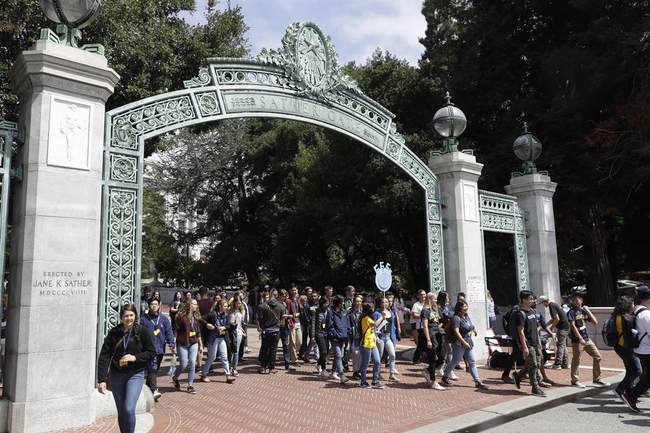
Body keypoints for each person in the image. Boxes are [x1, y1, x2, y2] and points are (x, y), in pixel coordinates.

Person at [97, 304, 155, 433]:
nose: (129, 318)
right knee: (122, 410)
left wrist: (135, 357)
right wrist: (101, 379)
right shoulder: (114, 333)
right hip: (117, 374)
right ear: (121, 317)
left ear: (135, 316)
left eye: (131, 315)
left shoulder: (142, 331)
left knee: (129, 408)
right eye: (126, 316)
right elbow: (104, 356)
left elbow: (151, 352)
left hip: (135, 374)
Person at [441, 300, 488, 389]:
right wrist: (463, 342)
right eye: (464, 306)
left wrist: (473, 330)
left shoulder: (466, 316)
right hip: (459, 343)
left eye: (467, 306)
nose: (466, 308)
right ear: (459, 308)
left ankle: (477, 381)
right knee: (455, 361)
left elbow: (470, 325)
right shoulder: (456, 318)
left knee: (472, 361)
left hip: (468, 342)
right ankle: (445, 376)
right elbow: (456, 331)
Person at [567, 290, 609, 388]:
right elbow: (572, 326)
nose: (576, 301)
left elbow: (595, 322)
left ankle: (597, 378)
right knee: (576, 360)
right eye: (574, 300)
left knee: (598, 356)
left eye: (578, 299)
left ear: (581, 300)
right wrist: (580, 338)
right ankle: (575, 380)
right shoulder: (571, 312)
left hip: (587, 339)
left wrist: (588, 311)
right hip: (578, 340)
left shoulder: (582, 311)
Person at [172, 299, 213, 394]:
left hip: (193, 342)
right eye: (194, 304)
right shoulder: (181, 317)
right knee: (184, 364)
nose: (196, 306)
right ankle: (175, 377)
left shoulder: (196, 317)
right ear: (189, 305)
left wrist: (201, 345)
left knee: (191, 362)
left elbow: (198, 332)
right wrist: (173, 343)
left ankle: (190, 385)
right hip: (182, 343)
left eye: (196, 304)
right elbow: (176, 331)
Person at [622, 286, 650, 412]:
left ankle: (631, 393)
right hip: (647, 349)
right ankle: (631, 394)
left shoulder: (636, 310)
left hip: (640, 349)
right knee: (648, 377)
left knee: (647, 375)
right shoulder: (646, 314)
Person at [140, 298, 175, 400]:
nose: (154, 306)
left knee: (154, 370)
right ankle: (153, 390)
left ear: (159, 306)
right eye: (152, 304)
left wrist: (171, 343)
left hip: (160, 348)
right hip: (148, 349)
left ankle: (147, 390)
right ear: (148, 306)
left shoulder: (164, 319)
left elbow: (169, 332)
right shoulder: (143, 319)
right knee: (152, 368)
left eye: (156, 304)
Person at [512, 290, 545, 396]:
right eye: (530, 299)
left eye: (532, 298)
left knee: (538, 363)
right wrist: (524, 347)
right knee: (534, 364)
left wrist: (539, 341)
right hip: (528, 343)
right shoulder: (520, 314)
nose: (532, 300)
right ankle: (535, 387)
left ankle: (519, 375)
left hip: (535, 342)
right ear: (523, 300)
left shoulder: (532, 311)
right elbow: (520, 331)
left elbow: (535, 328)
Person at [610, 295, 642, 403]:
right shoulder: (627, 318)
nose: (634, 305)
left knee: (630, 370)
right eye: (632, 303)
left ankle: (627, 392)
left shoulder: (616, 315)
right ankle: (621, 389)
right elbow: (631, 336)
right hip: (626, 347)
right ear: (627, 305)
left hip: (619, 346)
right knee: (637, 370)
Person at [201, 299, 235, 383]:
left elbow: (229, 325)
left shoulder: (226, 315)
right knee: (212, 357)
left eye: (227, 306)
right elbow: (201, 319)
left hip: (222, 338)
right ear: (220, 306)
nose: (227, 307)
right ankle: (204, 374)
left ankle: (228, 376)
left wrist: (224, 327)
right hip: (213, 338)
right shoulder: (213, 314)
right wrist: (207, 324)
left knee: (224, 357)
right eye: (225, 306)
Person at [421, 292, 445, 390]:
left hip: (438, 335)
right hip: (431, 336)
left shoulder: (435, 310)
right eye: (434, 299)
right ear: (430, 299)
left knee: (442, 357)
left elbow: (438, 322)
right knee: (432, 359)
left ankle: (427, 371)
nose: (436, 301)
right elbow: (425, 326)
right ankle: (434, 381)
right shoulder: (425, 311)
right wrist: (428, 340)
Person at [256, 288, 284, 374]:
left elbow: (259, 318)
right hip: (276, 330)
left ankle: (263, 367)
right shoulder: (281, 306)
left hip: (266, 330)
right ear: (276, 296)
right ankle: (271, 367)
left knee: (264, 349)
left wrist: (261, 326)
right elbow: (282, 319)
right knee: (273, 349)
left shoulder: (262, 306)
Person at [374, 297, 400, 381]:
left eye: (386, 302)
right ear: (380, 303)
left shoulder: (391, 313)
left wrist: (394, 336)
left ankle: (391, 374)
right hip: (380, 337)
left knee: (392, 354)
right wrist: (382, 317)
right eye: (383, 302)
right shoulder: (376, 313)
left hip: (388, 337)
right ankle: (377, 374)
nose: (385, 304)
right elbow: (374, 326)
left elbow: (392, 326)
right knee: (379, 356)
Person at [359, 303, 384, 389]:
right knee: (365, 363)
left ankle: (375, 380)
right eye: (372, 309)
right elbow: (375, 324)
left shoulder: (370, 318)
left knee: (377, 361)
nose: (373, 310)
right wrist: (382, 317)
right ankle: (363, 381)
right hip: (366, 344)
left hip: (372, 343)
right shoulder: (365, 318)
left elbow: (373, 329)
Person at [541, 295, 570, 369]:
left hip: (562, 328)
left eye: (542, 303)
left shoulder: (551, 306)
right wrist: (545, 325)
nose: (543, 305)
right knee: (563, 345)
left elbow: (557, 319)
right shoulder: (554, 305)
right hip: (565, 327)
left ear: (545, 302)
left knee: (560, 345)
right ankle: (565, 363)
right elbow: (553, 319)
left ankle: (558, 364)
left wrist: (551, 327)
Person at [327, 295, 350, 383]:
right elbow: (329, 325)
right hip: (335, 338)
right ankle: (342, 375)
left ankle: (333, 372)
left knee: (338, 356)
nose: (343, 303)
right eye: (341, 302)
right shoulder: (331, 312)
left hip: (343, 337)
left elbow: (346, 323)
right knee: (339, 355)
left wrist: (347, 332)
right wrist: (334, 334)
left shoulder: (344, 312)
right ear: (338, 303)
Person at [278, 289, 297, 371]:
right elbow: (279, 315)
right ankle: (269, 363)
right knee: (274, 346)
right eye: (282, 295)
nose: (284, 297)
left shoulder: (286, 303)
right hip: (277, 327)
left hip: (285, 327)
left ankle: (287, 364)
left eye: (285, 295)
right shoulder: (276, 303)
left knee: (286, 346)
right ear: (279, 295)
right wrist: (288, 315)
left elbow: (293, 313)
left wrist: (290, 318)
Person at [229, 297, 247, 376]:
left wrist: (243, 331)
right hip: (231, 332)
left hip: (239, 333)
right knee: (230, 351)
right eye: (237, 303)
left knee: (236, 351)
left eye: (240, 303)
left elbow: (241, 323)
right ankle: (229, 367)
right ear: (234, 303)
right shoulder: (230, 311)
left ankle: (234, 368)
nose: (238, 304)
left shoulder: (241, 311)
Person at [314, 297, 330, 377]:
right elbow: (313, 324)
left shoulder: (328, 311)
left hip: (326, 333)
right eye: (326, 303)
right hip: (318, 333)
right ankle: (321, 367)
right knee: (323, 352)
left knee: (326, 352)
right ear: (322, 303)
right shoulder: (316, 311)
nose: (327, 305)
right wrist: (312, 335)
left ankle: (321, 367)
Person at [348, 295, 363, 380]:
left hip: (362, 336)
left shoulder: (363, 312)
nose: (358, 303)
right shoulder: (350, 313)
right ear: (354, 302)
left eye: (360, 301)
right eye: (357, 301)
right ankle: (355, 371)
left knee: (361, 354)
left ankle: (360, 370)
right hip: (353, 336)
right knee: (355, 353)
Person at [288, 285, 303, 367]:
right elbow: (287, 312)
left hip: (298, 322)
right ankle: (294, 360)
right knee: (293, 342)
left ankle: (293, 354)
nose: (294, 292)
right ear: (290, 291)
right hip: (292, 323)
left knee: (299, 342)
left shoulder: (298, 300)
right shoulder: (288, 301)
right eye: (293, 290)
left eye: (295, 290)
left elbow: (300, 311)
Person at [410, 290, 426, 363]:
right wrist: (423, 316)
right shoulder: (416, 305)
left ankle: (418, 358)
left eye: (424, 294)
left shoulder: (427, 304)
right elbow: (414, 315)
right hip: (418, 326)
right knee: (419, 343)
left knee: (423, 343)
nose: (423, 296)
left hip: (426, 326)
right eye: (421, 294)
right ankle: (417, 358)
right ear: (418, 296)